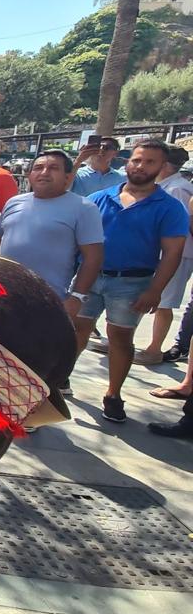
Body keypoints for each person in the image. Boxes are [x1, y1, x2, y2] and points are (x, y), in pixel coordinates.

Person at [72, 140, 187, 424]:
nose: (140, 166)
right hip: (89, 277)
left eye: (149, 162)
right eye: (136, 160)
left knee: (120, 338)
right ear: (128, 162)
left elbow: (173, 252)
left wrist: (155, 290)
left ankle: (113, 394)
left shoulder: (170, 207)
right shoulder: (101, 197)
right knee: (76, 330)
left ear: (161, 167)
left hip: (131, 283)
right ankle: (59, 379)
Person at [0, 150, 103, 335]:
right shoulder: (13, 203)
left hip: (48, 299)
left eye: (53, 168)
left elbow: (93, 258)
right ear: (29, 175)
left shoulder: (83, 208)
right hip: (1, 295)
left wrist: (77, 297)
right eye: (38, 168)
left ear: (67, 176)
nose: (44, 172)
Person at [136, 146, 193, 365]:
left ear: (165, 164)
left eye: (152, 161)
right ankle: (123, 341)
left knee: (164, 302)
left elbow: (179, 226)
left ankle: (154, 349)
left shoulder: (178, 189)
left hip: (175, 254)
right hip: (159, 252)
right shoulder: (167, 186)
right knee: (142, 297)